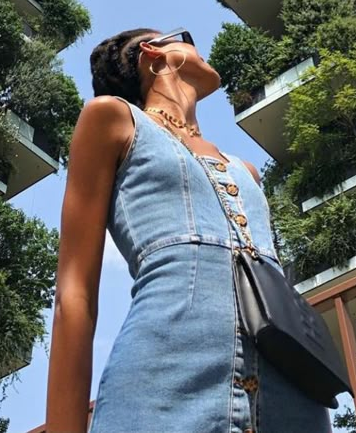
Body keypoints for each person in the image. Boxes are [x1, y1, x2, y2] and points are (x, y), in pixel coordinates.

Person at [45, 27, 331, 433]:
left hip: (291, 392)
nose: (202, 47)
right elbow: (74, 292)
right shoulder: (112, 119)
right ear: (152, 52)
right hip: (163, 381)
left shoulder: (246, 171)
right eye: (188, 37)